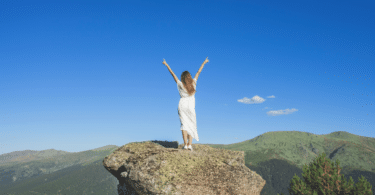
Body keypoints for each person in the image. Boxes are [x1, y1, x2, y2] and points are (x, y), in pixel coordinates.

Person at [162, 57, 209, 151]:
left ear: (182, 78)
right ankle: (190, 145)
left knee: (184, 125)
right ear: (189, 77)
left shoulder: (180, 84)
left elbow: (173, 74)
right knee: (191, 124)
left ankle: (185, 144)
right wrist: (204, 63)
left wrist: (166, 65)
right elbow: (198, 72)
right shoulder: (194, 83)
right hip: (191, 106)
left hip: (182, 105)